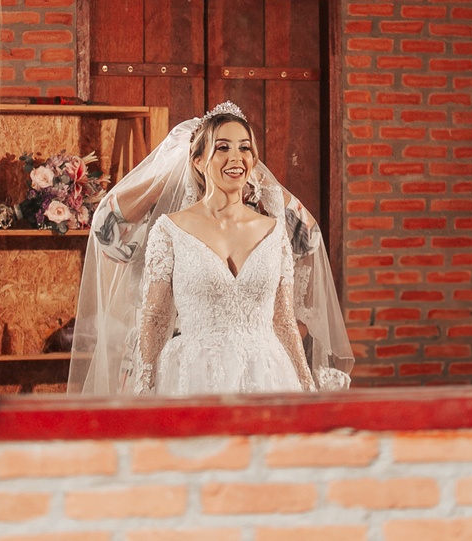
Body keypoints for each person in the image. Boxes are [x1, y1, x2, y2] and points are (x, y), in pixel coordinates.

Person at [68, 101, 353, 396]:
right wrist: (146, 388)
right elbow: (152, 313)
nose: (236, 156)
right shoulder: (168, 227)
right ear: (197, 161)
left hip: (266, 371)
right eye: (222, 147)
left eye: (245, 147)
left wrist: (307, 386)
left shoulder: (272, 227)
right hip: (191, 370)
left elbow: (302, 259)